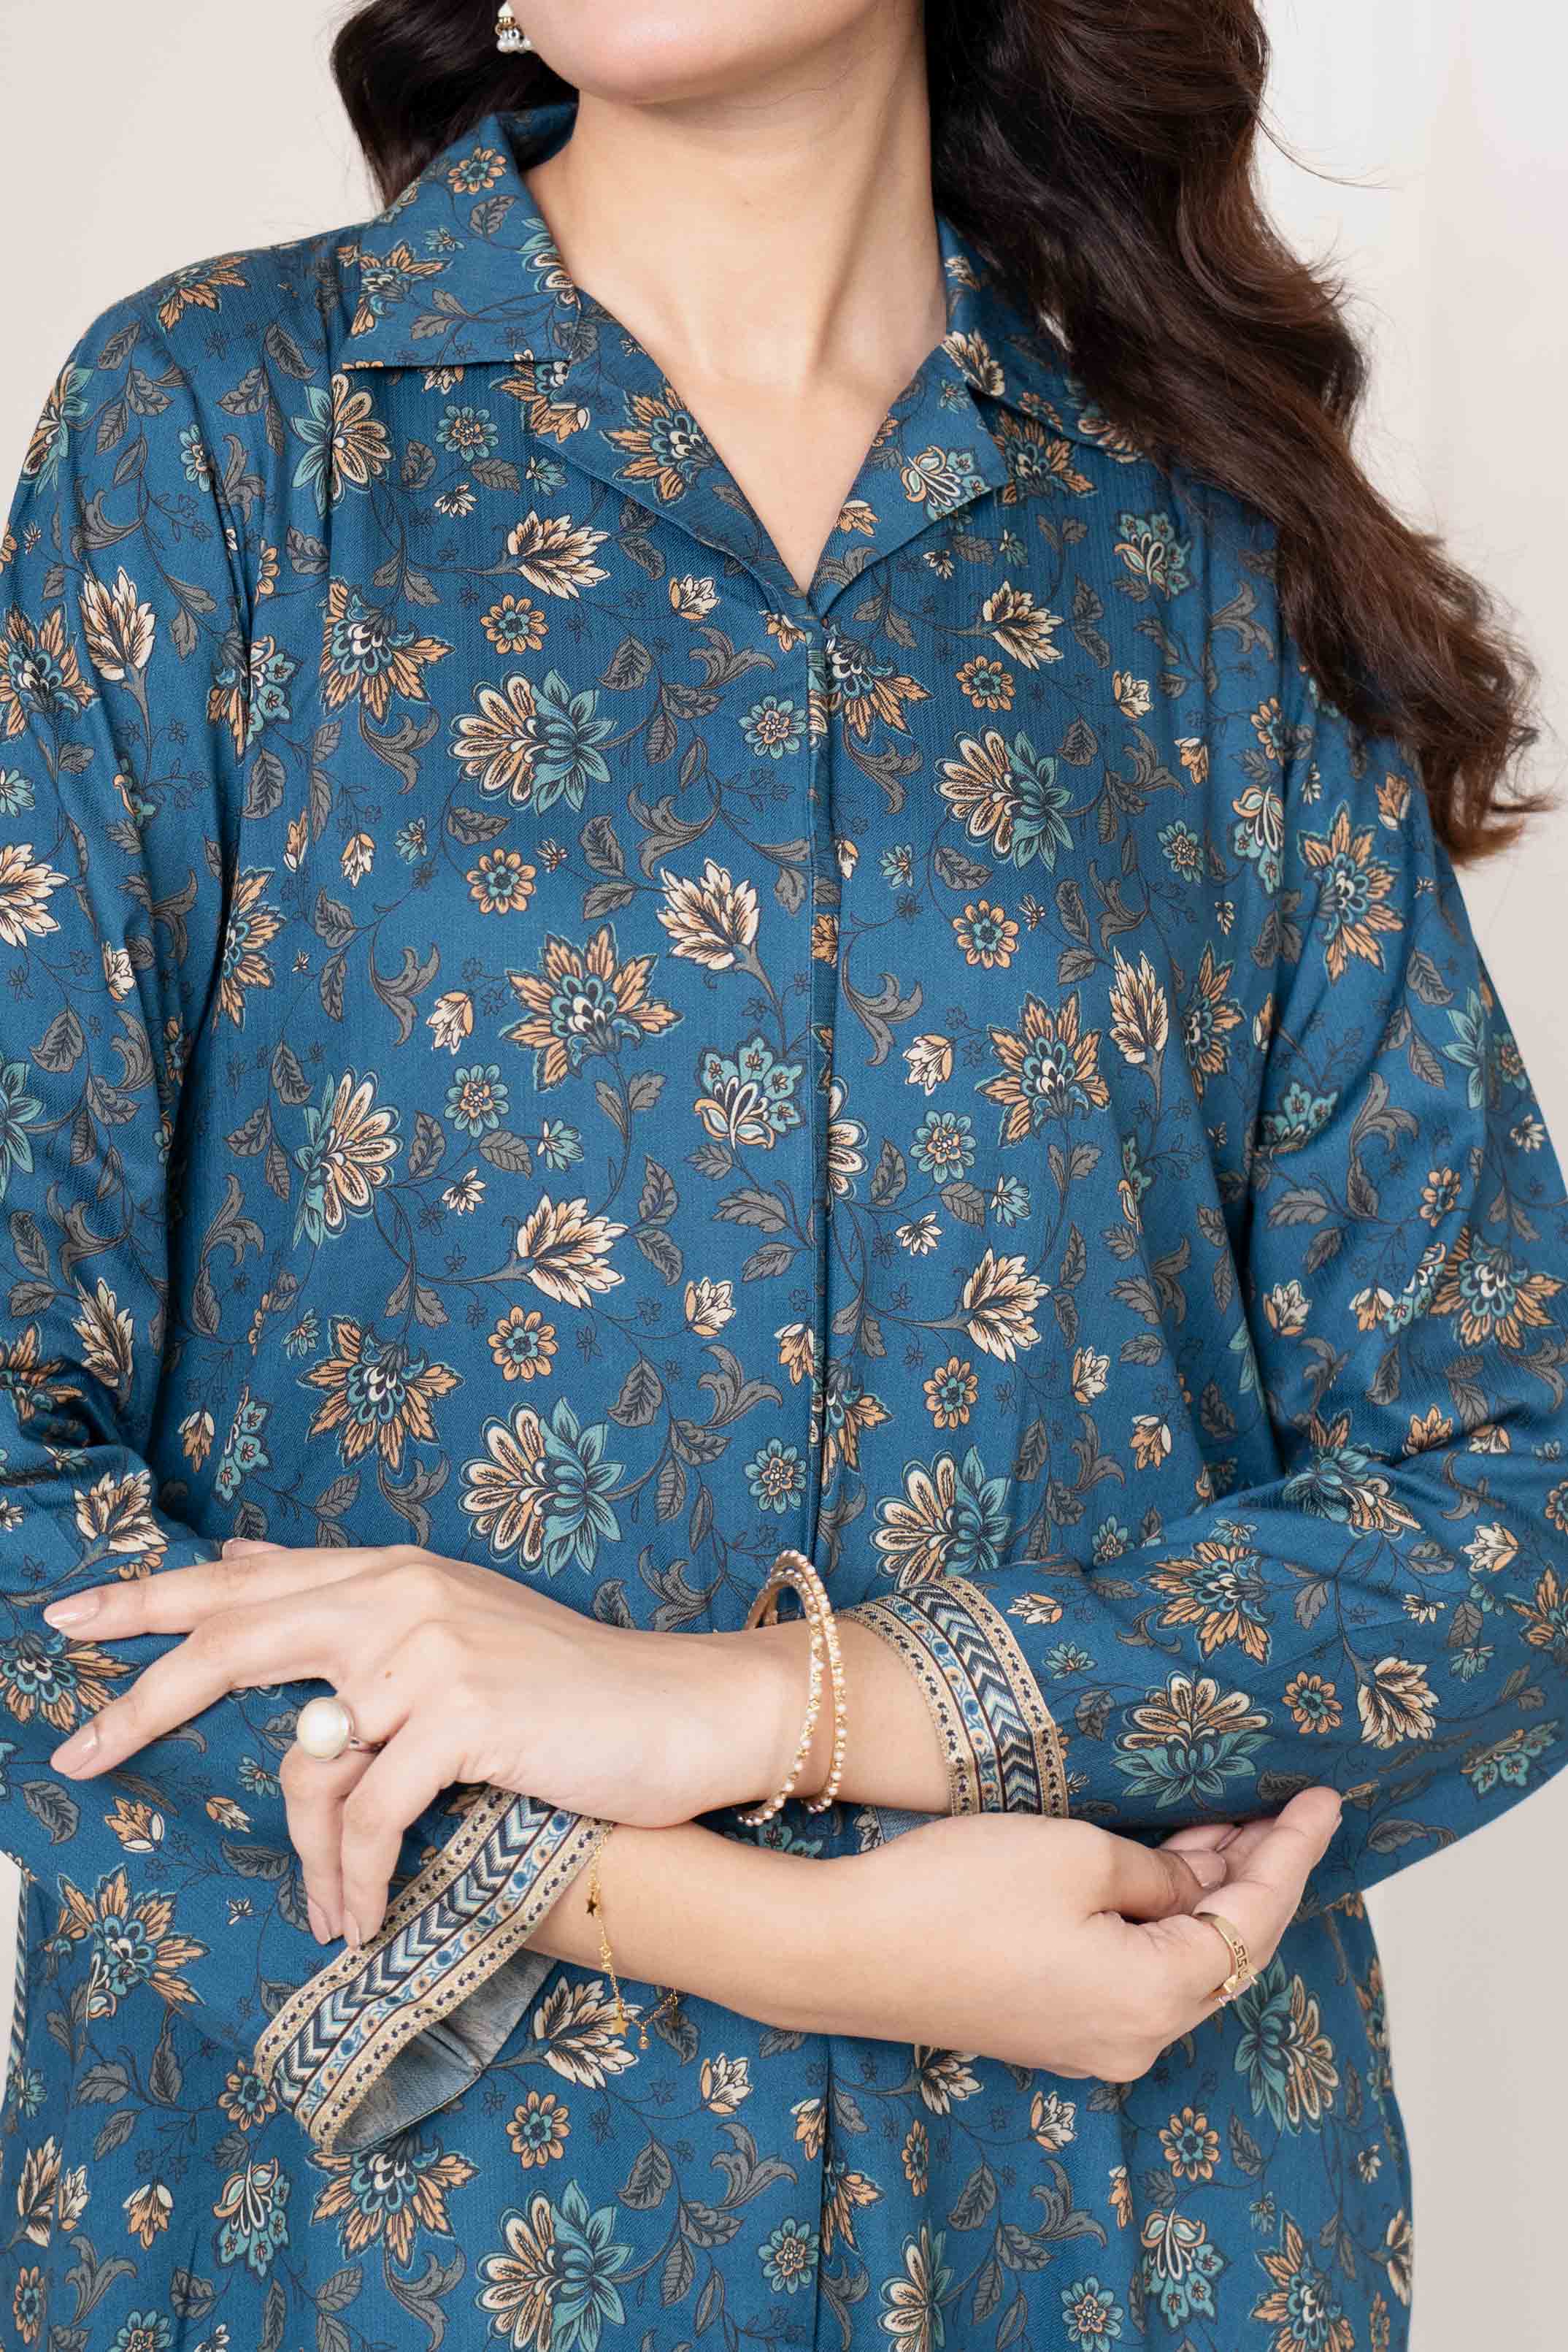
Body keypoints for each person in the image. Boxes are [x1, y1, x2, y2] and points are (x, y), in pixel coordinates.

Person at [1, 2, 1561, 2345]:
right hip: (373, 2250)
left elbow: (1505, 1498)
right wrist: (780, 1934)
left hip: (1104, 2225)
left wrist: (766, 1707)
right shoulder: (220, 439)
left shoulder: (1188, 545)